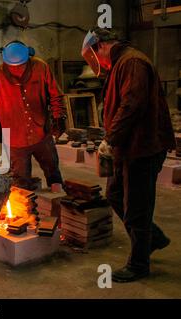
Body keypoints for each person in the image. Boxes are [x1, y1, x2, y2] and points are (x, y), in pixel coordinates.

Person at [81, 28, 176, 282]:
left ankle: (139, 264)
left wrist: (110, 139)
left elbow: (132, 105)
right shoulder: (120, 63)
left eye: (93, 54)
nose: (95, 62)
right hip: (126, 148)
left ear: (100, 46)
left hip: (142, 149)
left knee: (137, 207)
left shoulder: (132, 62)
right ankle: (152, 238)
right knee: (114, 194)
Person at [0, 40, 67, 190]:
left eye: (21, 66)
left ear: (28, 58)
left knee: (53, 172)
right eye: (13, 67)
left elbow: (56, 95)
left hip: (41, 133)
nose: (18, 70)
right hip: (16, 141)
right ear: (6, 63)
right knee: (21, 183)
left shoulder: (41, 67)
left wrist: (58, 116)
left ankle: (59, 200)